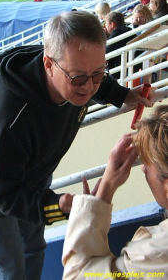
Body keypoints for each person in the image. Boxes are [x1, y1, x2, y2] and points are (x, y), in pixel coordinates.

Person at [0, 11, 154, 280]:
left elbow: (90, 80)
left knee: (33, 246)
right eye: (78, 78)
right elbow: (2, 193)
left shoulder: (73, 70)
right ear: (48, 64)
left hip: (33, 169)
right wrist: (58, 204)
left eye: (98, 73)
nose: (89, 87)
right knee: (10, 268)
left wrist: (123, 94)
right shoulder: (7, 117)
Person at [62, 104, 168, 279]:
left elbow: (79, 276)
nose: (142, 169)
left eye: (147, 163)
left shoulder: (156, 253)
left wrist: (106, 188)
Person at [105, 11, 136, 79]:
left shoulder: (116, 36)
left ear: (112, 24)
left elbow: (106, 53)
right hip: (132, 67)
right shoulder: (130, 31)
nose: (105, 26)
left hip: (120, 71)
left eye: (106, 24)